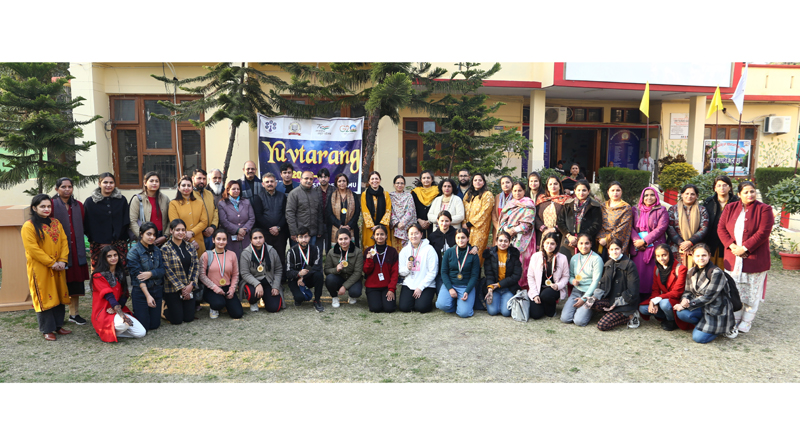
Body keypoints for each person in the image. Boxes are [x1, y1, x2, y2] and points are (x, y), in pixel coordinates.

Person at [718, 180, 774, 335]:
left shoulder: (764, 209)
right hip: (733, 257)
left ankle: (747, 320)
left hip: (754, 258)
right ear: (739, 194)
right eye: (746, 192)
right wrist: (732, 246)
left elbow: (763, 232)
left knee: (752, 291)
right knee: (734, 290)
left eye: (752, 191)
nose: (750, 194)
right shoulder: (730, 208)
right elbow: (721, 228)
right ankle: (735, 317)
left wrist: (745, 247)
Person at [22, 194, 71, 341]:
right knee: (45, 296)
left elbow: (63, 242)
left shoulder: (56, 222)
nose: (46, 209)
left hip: (58, 267)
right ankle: (47, 329)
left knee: (59, 293)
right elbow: (33, 249)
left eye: (48, 206)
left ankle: (58, 326)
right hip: (40, 269)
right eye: (42, 206)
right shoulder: (29, 226)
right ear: (34, 208)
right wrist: (51, 263)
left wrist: (62, 260)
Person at [674, 244, 735, 343]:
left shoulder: (716, 273)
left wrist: (688, 305)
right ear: (693, 256)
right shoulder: (691, 271)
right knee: (681, 313)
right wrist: (684, 300)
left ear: (709, 255)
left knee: (698, 338)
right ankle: (702, 325)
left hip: (716, 310)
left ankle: (721, 329)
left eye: (704, 255)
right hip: (701, 306)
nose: (700, 258)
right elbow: (688, 291)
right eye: (697, 256)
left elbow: (708, 297)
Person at [52, 177, 90, 326]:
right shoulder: (52, 205)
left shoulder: (78, 205)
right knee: (60, 283)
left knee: (75, 283)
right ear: (57, 189)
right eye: (63, 187)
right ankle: (58, 314)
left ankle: (74, 314)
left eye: (69, 187)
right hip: (59, 252)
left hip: (76, 250)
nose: (67, 189)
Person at [91, 246, 146, 342]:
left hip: (117, 309)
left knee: (141, 333)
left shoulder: (120, 273)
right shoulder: (98, 276)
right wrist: (122, 315)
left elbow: (124, 295)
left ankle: (109, 331)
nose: (113, 258)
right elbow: (109, 296)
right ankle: (103, 331)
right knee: (124, 323)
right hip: (104, 312)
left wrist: (117, 309)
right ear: (104, 258)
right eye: (109, 256)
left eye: (115, 255)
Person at [587, 238, 641, 331]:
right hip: (612, 300)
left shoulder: (630, 265)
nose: (614, 252)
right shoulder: (608, 264)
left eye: (617, 249)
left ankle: (631, 316)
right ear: (608, 251)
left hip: (626, 302)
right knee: (591, 304)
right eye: (611, 249)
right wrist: (593, 298)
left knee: (602, 326)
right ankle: (612, 313)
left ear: (622, 249)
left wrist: (616, 303)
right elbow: (602, 284)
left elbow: (633, 291)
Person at [84, 172, 130, 270]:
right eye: (105, 182)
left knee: (119, 271)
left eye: (111, 182)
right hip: (98, 244)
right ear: (99, 183)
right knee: (99, 272)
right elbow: (87, 224)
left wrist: (113, 241)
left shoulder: (121, 200)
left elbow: (125, 222)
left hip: (119, 242)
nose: (108, 185)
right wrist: (100, 241)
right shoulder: (90, 202)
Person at [630, 186, 669, 298]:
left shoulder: (661, 210)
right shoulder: (635, 210)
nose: (649, 197)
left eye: (652, 195)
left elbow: (661, 228)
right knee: (638, 275)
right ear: (642, 197)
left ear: (656, 197)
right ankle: (637, 302)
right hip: (638, 248)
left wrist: (645, 241)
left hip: (655, 248)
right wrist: (637, 241)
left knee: (652, 277)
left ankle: (651, 301)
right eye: (646, 195)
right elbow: (630, 227)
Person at [638, 244, 688, 331]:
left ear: (670, 254)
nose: (661, 259)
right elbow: (655, 289)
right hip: (663, 300)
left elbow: (677, 292)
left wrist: (656, 300)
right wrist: (655, 303)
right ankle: (665, 316)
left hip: (675, 301)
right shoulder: (657, 268)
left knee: (664, 303)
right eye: (658, 256)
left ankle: (672, 320)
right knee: (643, 309)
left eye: (664, 255)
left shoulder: (681, 268)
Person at [127, 222, 166, 332]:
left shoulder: (157, 250)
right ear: (141, 234)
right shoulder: (133, 252)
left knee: (154, 325)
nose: (152, 237)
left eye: (154, 235)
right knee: (144, 327)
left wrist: (150, 273)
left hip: (157, 290)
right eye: (148, 234)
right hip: (141, 293)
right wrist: (148, 296)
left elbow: (162, 270)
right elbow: (138, 277)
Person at [497, 181, 537, 287]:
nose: (517, 193)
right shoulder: (510, 204)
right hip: (509, 236)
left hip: (524, 237)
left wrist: (514, 230)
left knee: (523, 262)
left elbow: (528, 222)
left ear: (524, 191)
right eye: (515, 191)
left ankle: (524, 287)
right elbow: (502, 220)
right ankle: (509, 285)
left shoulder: (529, 203)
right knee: (510, 261)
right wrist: (507, 230)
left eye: (520, 190)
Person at [160, 219, 199, 326]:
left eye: (183, 230)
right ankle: (163, 308)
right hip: (172, 289)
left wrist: (191, 284)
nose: (181, 232)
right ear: (171, 231)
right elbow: (167, 271)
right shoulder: (165, 249)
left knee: (188, 318)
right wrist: (182, 288)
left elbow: (196, 266)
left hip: (189, 287)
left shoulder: (190, 246)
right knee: (177, 320)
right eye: (177, 230)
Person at [436, 227, 481, 318]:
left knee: (464, 313)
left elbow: (474, 275)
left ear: (468, 238)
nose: (461, 240)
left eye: (463, 238)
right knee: (441, 305)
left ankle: (461, 305)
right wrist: (450, 288)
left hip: (465, 286)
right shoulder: (449, 252)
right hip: (451, 284)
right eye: (458, 238)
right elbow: (444, 272)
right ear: (455, 239)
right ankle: (455, 303)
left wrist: (467, 291)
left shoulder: (473, 254)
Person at [560, 234, 603, 327]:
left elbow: (596, 282)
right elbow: (570, 276)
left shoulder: (597, 259)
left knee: (579, 321)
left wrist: (584, 299)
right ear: (577, 244)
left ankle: (592, 309)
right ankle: (583, 310)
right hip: (576, 291)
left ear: (591, 244)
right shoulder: (574, 258)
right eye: (581, 243)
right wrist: (573, 281)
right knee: (565, 318)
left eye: (587, 243)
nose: (584, 246)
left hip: (591, 295)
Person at [526, 232, 569, 320]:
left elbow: (566, 276)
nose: (549, 246)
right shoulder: (535, 256)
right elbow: (530, 276)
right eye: (547, 243)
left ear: (556, 245)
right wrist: (534, 295)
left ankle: (551, 309)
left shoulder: (562, 258)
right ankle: (542, 304)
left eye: (552, 244)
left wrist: (558, 285)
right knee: (535, 315)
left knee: (547, 299)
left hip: (553, 289)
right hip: (538, 288)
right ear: (543, 243)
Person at [199, 230, 241, 319]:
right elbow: (201, 275)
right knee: (218, 303)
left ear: (227, 241)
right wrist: (215, 288)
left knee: (237, 314)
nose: (221, 242)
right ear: (213, 240)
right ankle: (214, 307)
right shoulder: (206, 255)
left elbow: (235, 274)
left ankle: (225, 304)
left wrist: (232, 289)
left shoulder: (232, 255)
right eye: (218, 239)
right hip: (212, 288)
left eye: (224, 239)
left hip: (227, 288)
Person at [239, 228, 283, 313]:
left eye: (260, 237)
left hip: (268, 282)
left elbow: (278, 269)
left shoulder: (272, 250)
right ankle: (253, 302)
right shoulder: (245, 253)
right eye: (255, 238)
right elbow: (244, 273)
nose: (258, 240)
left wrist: (275, 286)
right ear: (251, 240)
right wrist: (257, 284)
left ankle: (264, 298)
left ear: (264, 238)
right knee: (251, 293)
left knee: (274, 308)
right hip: (253, 283)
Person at [397, 224, 438, 313]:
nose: (413, 236)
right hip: (409, 283)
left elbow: (432, 272)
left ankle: (423, 301)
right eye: (411, 234)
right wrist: (407, 268)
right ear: (408, 235)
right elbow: (401, 271)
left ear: (421, 234)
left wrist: (420, 287)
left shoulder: (429, 249)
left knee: (421, 307)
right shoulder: (404, 250)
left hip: (425, 285)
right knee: (404, 308)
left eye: (416, 233)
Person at [557, 179, 601, 260]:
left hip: (586, 243)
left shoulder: (595, 206)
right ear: (574, 191)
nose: (581, 193)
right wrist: (569, 236)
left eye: (584, 190)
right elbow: (560, 221)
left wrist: (581, 238)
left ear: (589, 191)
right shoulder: (568, 204)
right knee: (567, 266)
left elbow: (596, 224)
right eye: (579, 190)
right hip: (568, 242)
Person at [667, 183, 709, 268]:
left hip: (695, 246)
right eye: (687, 193)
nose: (689, 196)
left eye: (692, 194)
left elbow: (704, 227)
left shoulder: (702, 210)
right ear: (682, 194)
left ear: (697, 196)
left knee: (694, 272)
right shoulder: (673, 209)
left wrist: (690, 242)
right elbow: (670, 228)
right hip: (676, 246)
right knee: (676, 272)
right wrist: (682, 244)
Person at [483, 231, 522, 317]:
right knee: (492, 312)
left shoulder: (514, 255)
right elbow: (489, 274)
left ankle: (503, 302)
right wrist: (490, 289)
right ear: (496, 242)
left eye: (505, 241)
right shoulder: (490, 254)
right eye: (500, 241)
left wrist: (499, 284)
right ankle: (497, 302)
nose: (503, 243)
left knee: (506, 313)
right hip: (494, 289)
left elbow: (516, 275)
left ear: (509, 242)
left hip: (508, 288)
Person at [286, 226, 325, 312]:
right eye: (301, 237)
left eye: (306, 236)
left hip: (307, 278)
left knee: (319, 275)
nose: (304, 239)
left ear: (310, 238)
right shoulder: (291, 252)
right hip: (295, 279)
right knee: (299, 298)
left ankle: (317, 300)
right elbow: (288, 272)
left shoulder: (315, 249)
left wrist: (303, 277)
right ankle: (298, 297)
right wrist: (299, 274)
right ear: (296, 238)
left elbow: (317, 267)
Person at [168, 176, 209, 257]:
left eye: (189, 185)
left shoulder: (200, 203)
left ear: (192, 187)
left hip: (198, 240)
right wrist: (192, 240)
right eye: (183, 185)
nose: (186, 188)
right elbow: (175, 223)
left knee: (200, 267)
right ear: (179, 188)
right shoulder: (173, 204)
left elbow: (204, 221)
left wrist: (192, 232)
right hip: (180, 240)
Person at [703, 176, 739, 268]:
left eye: (725, 185)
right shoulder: (709, 202)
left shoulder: (737, 203)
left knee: (727, 270)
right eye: (719, 186)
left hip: (730, 242)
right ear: (715, 188)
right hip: (711, 241)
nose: (722, 188)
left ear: (730, 187)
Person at [323, 228, 364, 308]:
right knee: (329, 279)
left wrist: (344, 286)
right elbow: (326, 270)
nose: (343, 241)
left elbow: (358, 273)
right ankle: (334, 297)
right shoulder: (331, 252)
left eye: (346, 238)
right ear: (337, 240)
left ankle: (351, 296)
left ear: (350, 238)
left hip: (352, 278)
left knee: (356, 292)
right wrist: (336, 269)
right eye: (340, 239)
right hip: (339, 277)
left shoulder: (358, 252)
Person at [363, 225, 399, 313]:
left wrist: (391, 289)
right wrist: (369, 260)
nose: (379, 237)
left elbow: (395, 272)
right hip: (372, 286)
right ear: (374, 236)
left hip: (387, 286)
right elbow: (366, 271)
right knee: (376, 308)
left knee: (389, 309)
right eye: (377, 234)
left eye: (382, 234)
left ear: (386, 236)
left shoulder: (392, 251)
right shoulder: (369, 250)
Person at [129, 171, 170, 247]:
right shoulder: (137, 199)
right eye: (151, 181)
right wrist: (143, 237)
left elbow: (170, 220)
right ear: (145, 183)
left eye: (157, 181)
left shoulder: (165, 199)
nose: (154, 183)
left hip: (161, 238)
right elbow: (132, 221)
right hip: (145, 238)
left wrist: (165, 236)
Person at [257, 172, 289, 272]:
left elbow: (285, 214)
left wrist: (278, 227)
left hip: (280, 233)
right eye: (267, 182)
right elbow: (259, 215)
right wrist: (270, 228)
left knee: (280, 257)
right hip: (266, 233)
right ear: (263, 184)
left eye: (272, 181)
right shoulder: (258, 197)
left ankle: (282, 279)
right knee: (266, 257)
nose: (270, 184)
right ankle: (268, 278)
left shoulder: (282, 196)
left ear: (276, 183)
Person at [217, 179, 255, 259]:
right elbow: (224, 221)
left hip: (246, 237)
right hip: (231, 238)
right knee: (233, 260)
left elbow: (252, 218)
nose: (236, 191)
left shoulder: (246, 202)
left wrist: (244, 231)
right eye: (233, 189)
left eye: (238, 189)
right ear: (228, 190)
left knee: (246, 259)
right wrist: (237, 230)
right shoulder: (222, 203)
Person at [595, 181, 633, 261]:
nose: (615, 193)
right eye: (612, 190)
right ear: (608, 192)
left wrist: (607, 239)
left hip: (617, 243)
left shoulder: (626, 207)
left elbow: (623, 228)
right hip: (601, 242)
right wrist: (601, 239)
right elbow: (598, 223)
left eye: (618, 190)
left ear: (621, 192)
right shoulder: (603, 206)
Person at [286, 170, 324, 247]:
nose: (309, 181)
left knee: (311, 256)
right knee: (299, 257)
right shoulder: (294, 193)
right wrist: (293, 232)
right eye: (306, 178)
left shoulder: (316, 193)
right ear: (301, 179)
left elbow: (319, 213)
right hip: (299, 235)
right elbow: (290, 214)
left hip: (312, 234)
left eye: (311, 179)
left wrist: (320, 230)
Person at [463, 173, 494, 265]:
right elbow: (463, 209)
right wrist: (465, 224)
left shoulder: (487, 195)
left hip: (479, 229)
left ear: (484, 182)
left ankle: (477, 275)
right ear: (472, 182)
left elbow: (485, 212)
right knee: (465, 250)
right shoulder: (468, 194)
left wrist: (469, 224)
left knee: (476, 251)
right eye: (475, 180)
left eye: (480, 180)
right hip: (466, 228)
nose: (477, 182)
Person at [361, 171, 393, 249]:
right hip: (370, 227)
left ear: (380, 180)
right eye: (372, 179)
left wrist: (380, 226)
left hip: (383, 225)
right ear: (369, 181)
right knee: (369, 247)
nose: (374, 181)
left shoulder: (385, 194)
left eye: (376, 178)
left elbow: (388, 210)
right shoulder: (364, 194)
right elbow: (365, 211)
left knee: (384, 246)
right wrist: (372, 226)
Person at [328, 173, 361, 248]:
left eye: (344, 181)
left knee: (351, 250)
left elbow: (357, 212)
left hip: (351, 228)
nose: (342, 183)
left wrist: (349, 225)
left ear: (347, 182)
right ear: (336, 183)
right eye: (339, 181)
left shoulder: (353, 195)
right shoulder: (332, 196)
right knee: (337, 252)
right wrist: (340, 225)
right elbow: (329, 213)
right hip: (336, 228)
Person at [535, 175, 569, 248]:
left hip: (559, 235)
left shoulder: (566, 200)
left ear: (560, 186)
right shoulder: (541, 199)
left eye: (555, 184)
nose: (553, 186)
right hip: (542, 234)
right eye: (550, 184)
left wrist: (554, 229)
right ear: (547, 187)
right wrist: (544, 229)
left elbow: (567, 218)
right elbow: (535, 216)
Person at [425, 211, 455, 291]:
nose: (444, 223)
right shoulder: (432, 236)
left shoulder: (456, 234)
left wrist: (475, 247)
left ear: (450, 221)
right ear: (437, 220)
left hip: (454, 270)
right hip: (439, 272)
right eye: (442, 221)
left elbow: (466, 245)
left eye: (447, 221)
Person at [192, 169, 220, 252]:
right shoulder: (189, 194)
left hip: (210, 234)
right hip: (196, 235)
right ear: (193, 178)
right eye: (199, 178)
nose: (202, 181)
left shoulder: (209, 193)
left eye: (204, 179)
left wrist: (213, 227)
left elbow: (215, 211)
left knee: (209, 261)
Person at [389, 175, 415, 248]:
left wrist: (402, 223)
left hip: (406, 227)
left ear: (404, 185)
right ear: (394, 184)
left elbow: (410, 210)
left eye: (402, 183)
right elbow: (389, 211)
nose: (399, 185)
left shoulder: (408, 196)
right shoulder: (390, 196)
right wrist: (397, 223)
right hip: (395, 227)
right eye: (397, 183)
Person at [411, 170, 439, 239]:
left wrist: (429, 221)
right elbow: (412, 208)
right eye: (424, 178)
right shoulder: (415, 192)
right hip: (419, 222)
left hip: (433, 223)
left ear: (432, 179)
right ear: (420, 180)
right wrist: (419, 220)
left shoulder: (438, 191)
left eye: (428, 178)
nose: (426, 180)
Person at [491, 175, 514, 240]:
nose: (505, 185)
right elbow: (494, 213)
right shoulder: (498, 197)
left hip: (511, 229)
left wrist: (509, 229)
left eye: (507, 182)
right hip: (498, 228)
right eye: (503, 183)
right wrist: (498, 227)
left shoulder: (516, 196)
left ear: (512, 183)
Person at [317, 168, 332, 252]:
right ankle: (318, 265)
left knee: (329, 250)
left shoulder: (334, 191)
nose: (323, 179)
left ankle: (329, 266)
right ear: (318, 179)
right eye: (321, 177)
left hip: (331, 225)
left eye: (325, 177)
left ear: (329, 178)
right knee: (318, 250)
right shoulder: (314, 191)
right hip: (318, 225)